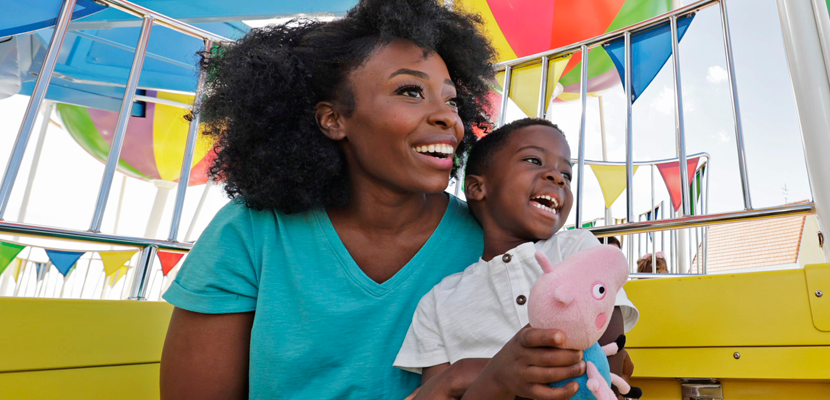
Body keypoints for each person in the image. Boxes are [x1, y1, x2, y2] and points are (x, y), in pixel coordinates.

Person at [158, 0, 498, 398]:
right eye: (411, 91)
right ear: (333, 119)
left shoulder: (486, 239)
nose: (448, 118)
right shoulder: (251, 230)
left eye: (452, 100)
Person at [395, 118, 639, 399]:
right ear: (476, 188)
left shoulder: (578, 246)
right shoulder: (439, 302)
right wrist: (493, 377)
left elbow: (609, 360)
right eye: (534, 160)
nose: (557, 177)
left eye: (567, 174)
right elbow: (438, 392)